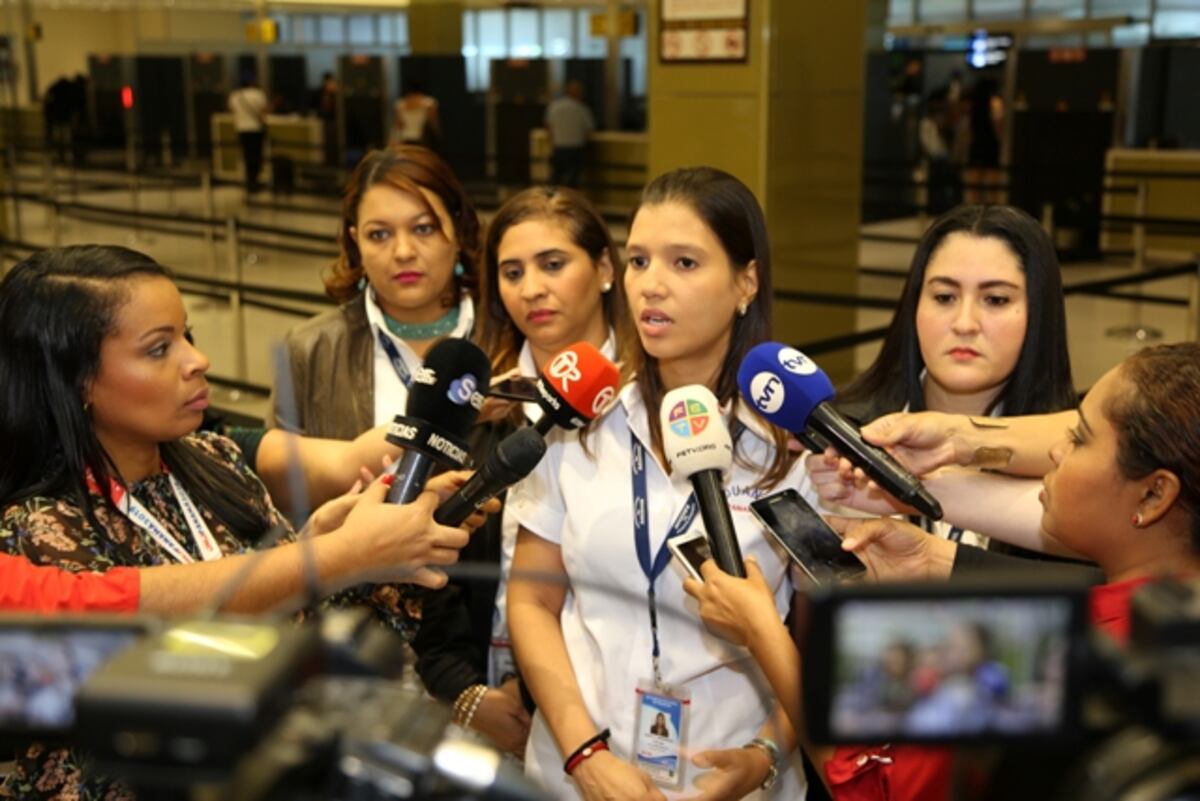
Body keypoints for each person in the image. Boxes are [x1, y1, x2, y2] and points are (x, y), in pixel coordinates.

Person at [0, 245, 478, 800]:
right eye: (158, 348)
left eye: (187, 335)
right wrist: (341, 554)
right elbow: (157, 698)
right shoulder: (38, 529)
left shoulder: (216, 462)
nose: (197, 360)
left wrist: (373, 546)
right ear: (78, 379)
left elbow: (305, 638)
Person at [684, 341, 1200, 800]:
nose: (1055, 451)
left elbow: (871, 788)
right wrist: (933, 560)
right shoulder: (1166, 628)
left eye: (1080, 438)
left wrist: (762, 631)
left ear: (1154, 495)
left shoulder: (1067, 652)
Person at [507, 167, 808, 800]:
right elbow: (532, 601)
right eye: (640, 261)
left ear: (746, 281)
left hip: (730, 774)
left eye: (685, 263)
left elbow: (820, 645)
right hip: (578, 771)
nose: (651, 285)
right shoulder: (580, 420)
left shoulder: (794, 445)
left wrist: (765, 755)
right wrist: (585, 757)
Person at [422, 186, 629, 756]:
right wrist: (463, 692)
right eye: (512, 272)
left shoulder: (645, 401)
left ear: (604, 269)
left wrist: (542, 698)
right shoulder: (481, 404)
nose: (531, 288)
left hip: (611, 704)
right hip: (483, 697)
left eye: (553, 264)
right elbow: (428, 561)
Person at [823, 204, 1074, 551]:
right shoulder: (842, 439)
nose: (965, 323)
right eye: (944, 297)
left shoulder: (1072, 457)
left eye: (995, 300)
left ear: (1039, 313)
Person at [271, 145, 479, 439]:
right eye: (379, 234)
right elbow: (283, 464)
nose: (403, 252)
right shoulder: (310, 349)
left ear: (457, 231)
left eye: (423, 228)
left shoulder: (508, 335)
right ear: (356, 242)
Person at [545, 80, 595, 188]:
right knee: (573, 180)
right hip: (576, 147)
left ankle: (552, 197)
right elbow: (589, 130)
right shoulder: (582, 109)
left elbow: (548, 127)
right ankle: (568, 198)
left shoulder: (554, 106)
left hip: (559, 147)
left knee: (555, 178)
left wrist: (553, 141)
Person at [228, 74, 270, 194]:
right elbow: (264, 113)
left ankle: (249, 181)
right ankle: (254, 180)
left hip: (241, 129)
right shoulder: (259, 94)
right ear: (252, 82)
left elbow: (233, 112)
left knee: (246, 156)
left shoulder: (234, 96)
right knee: (256, 156)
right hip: (256, 129)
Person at [392, 82, 440, 149]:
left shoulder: (401, 104)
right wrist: (438, 135)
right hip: (421, 140)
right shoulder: (429, 104)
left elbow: (398, 125)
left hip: (407, 139)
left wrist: (394, 139)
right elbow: (433, 123)